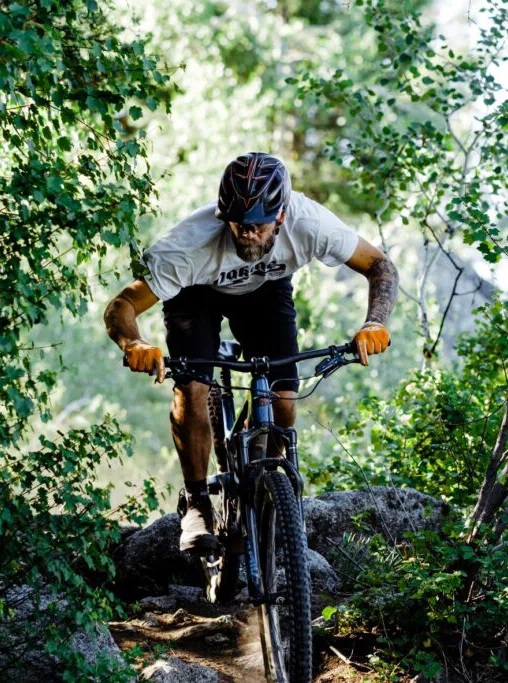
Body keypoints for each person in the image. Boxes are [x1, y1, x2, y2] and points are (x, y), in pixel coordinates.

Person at [104, 152, 398, 553]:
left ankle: (265, 484)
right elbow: (121, 306)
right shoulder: (186, 247)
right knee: (192, 389)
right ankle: (196, 503)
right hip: (196, 294)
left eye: (257, 227)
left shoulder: (310, 224)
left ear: (280, 217)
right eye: (238, 226)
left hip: (265, 290)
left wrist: (374, 323)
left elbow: (379, 265)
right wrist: (133, 343)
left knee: (284, 400)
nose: (246, 236)